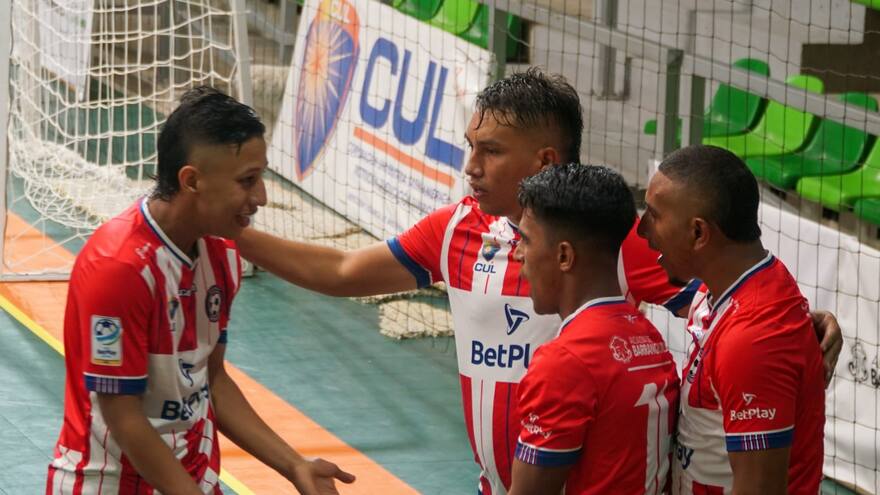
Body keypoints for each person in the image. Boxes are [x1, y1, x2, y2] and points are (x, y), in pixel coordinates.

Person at [237, 69, 842, 494]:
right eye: (471, 147)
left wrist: (800, 330)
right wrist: (230, 231)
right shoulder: (454, 232)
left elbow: (722, 291)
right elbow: (342, 271)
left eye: (492, 151)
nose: (470, 167)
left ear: (546, 162)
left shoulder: (619, 242)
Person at [46, 87, 355, 495]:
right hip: (107, 484)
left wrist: (293, 465)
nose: (260, 197)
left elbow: (211, 378)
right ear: (191, 180)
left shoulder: (222, 253)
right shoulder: (118, 268)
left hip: (190, 478)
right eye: (247, 181)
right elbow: (124, 418)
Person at [637, 144, 826, 494]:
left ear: (699, 233)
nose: (642, 229)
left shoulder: (752, 339)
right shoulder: (732, 287)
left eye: (653, 214)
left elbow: (760, 488)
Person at [508, 164, 679, 495]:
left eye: (525, 241)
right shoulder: (648, 337)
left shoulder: (564, 361)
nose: (517, 254)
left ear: (564, 256)